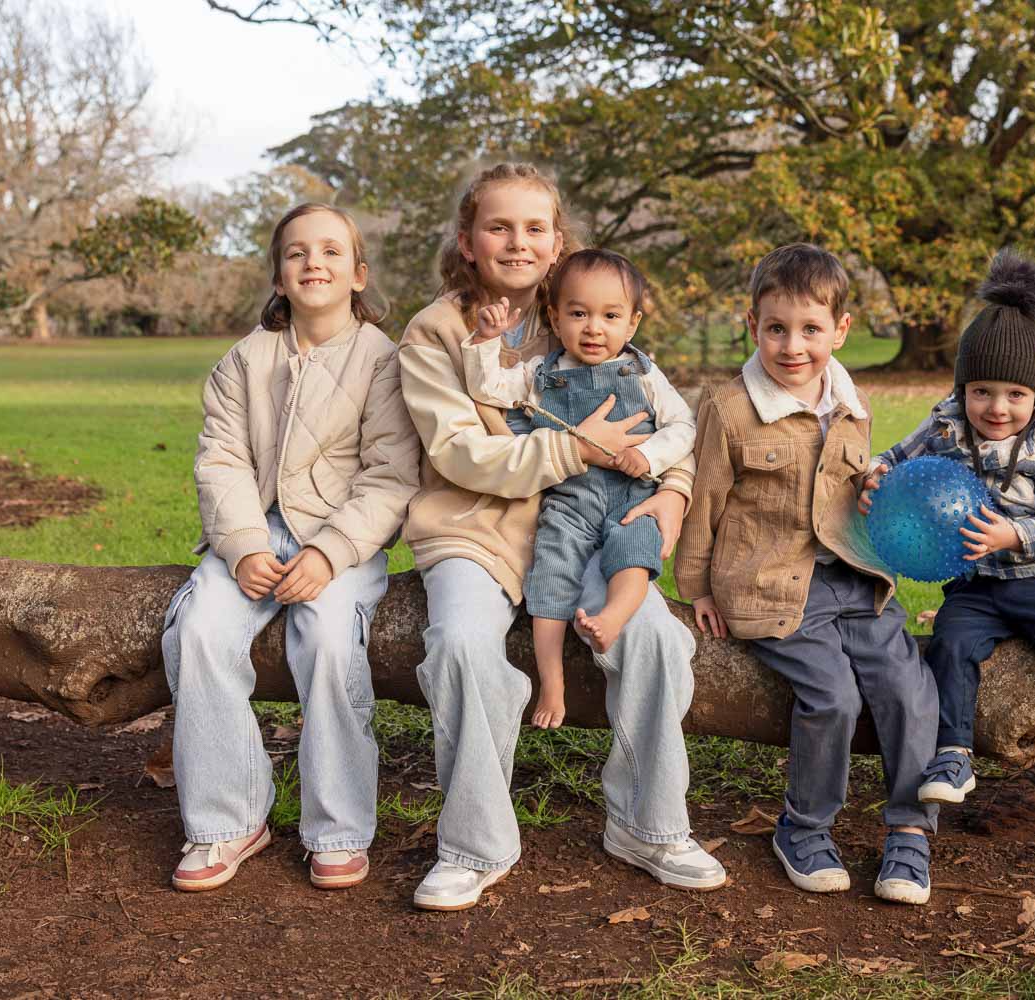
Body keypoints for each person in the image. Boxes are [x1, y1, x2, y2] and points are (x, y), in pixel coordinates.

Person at [397, 162, 726, 911]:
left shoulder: (583, 310)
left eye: (535, 228)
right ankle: (474, 843)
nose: (518, 242)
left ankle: (649, 825)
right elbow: (459, 455)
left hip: (584, 522)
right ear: (468, 241)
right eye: (499, 227)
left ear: (556, 244)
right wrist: (573, 448)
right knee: (460, 647)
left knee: (656, 638)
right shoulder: (435, 331)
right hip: (474, 529)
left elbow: (656, 422)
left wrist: (672, 495)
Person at [161, 203, 421, 892]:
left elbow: (392, 474)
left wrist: (332, 553)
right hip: (255, 531)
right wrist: (245, 546)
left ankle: (337, 827)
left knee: (332, 642)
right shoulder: (243, 361)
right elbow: (221, 461)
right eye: (297, 253)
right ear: (278, 277)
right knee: (199, 630)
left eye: (332, 252)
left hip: (341, 539)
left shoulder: (383, 362)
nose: (314, 263)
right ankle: (229, 819)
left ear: (358, 274)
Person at [676, 243, 941, 905]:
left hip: (853, 577)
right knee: (834, 697)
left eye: (811, 330)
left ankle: (909, 829)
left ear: (840, 330)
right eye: (776, 329)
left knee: (909, 689)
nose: (793, 346)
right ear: (753, 324)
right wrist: (697, 587)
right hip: (773, 585)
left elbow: (850, 484)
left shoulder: (852, 402)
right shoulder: (730, 407)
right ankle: (804, 825)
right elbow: (704, 497)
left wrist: (873, 486)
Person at [861, 249, 1035, 807]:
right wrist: (876, 475)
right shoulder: (944, 424)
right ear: (963, 389)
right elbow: (896, 458)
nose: (997, 407)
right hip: (973, 586)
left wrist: (1012, 534)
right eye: (981, 391)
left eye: (1016, 395)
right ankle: (954, 754)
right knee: (952, 643)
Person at [462, 248, 695, 729]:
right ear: (556, 316)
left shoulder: (643, 372)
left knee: (634, 550)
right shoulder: (541, 374)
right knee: (549, 579)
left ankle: (611, 618)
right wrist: (486, 342)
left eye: (610, 316)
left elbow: (683, 427)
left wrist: (648, 457)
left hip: (632, 493)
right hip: (569, 499)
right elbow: (490, 390)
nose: (594, 328)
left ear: (632, 325)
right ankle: (552, 682)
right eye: (579, 314)